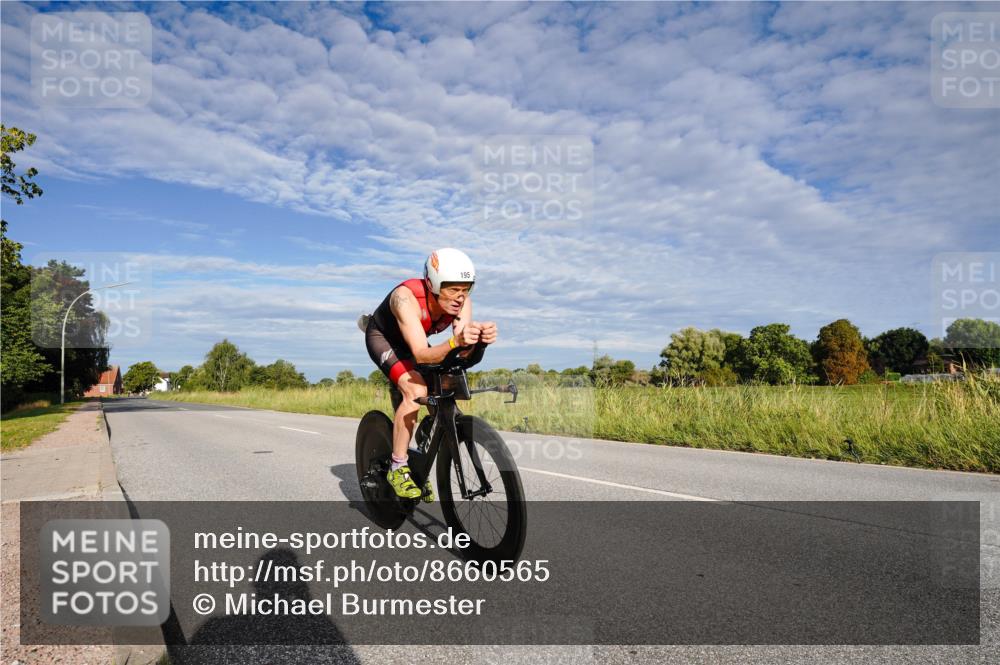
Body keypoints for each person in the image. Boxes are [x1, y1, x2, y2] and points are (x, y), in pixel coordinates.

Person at [363, 248, 497, 500]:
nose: (460, 296)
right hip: (386, 339)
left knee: (446, 387)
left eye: (466, 288)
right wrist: (455, 342)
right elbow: (421, 355)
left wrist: (479, 341)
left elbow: (462, 353)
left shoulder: (462, 301)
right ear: (432, 284)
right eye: (452, 289)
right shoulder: (405, 298)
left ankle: (424, 446)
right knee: (416, 391)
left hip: (417, 341)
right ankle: (398, 467)